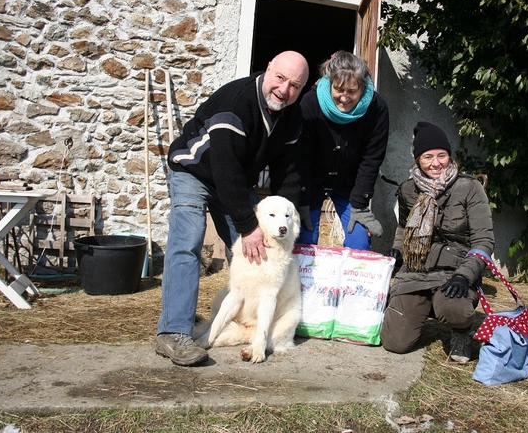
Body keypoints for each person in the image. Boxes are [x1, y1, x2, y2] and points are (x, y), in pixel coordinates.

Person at [156, 51, 310, 366]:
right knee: (188, 241)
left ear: (302, 89)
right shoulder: (236, 102)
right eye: (280, 78)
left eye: (295, 85)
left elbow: (289, 174)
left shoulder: (292, 118)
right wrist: (248, 226)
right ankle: (173, 332)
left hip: (235, 181)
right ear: (268, 69)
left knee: (261, 249)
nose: (284, 90)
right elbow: (223, 166)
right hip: (193, 170)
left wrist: (285, 215)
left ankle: (244, 323)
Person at [380, 122, 494, 363]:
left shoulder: (469, 188)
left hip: (454, 272)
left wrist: (465, 275)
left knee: (456, 310)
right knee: (395, 343)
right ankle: (422, 307)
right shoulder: (408, 190)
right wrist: (398, 251)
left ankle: (461, 331)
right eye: (428, 156)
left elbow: (484, 240)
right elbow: (403, 226)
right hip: (417, 272)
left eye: (441, 155)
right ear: (417, 160)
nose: (436, 163)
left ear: (449, 156)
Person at [296, 50, 389, 250]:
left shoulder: (377, 108)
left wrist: (360, 204)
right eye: (338, 89)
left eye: (352, 91)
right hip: (312, 182)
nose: (344, 98)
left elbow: (372, 158)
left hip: (351, 185)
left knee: (359, 240)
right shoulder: (310, 102)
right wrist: (302, 199)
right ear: (329, 83)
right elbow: (302, 155)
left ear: (363, 88)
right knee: (304, 236)